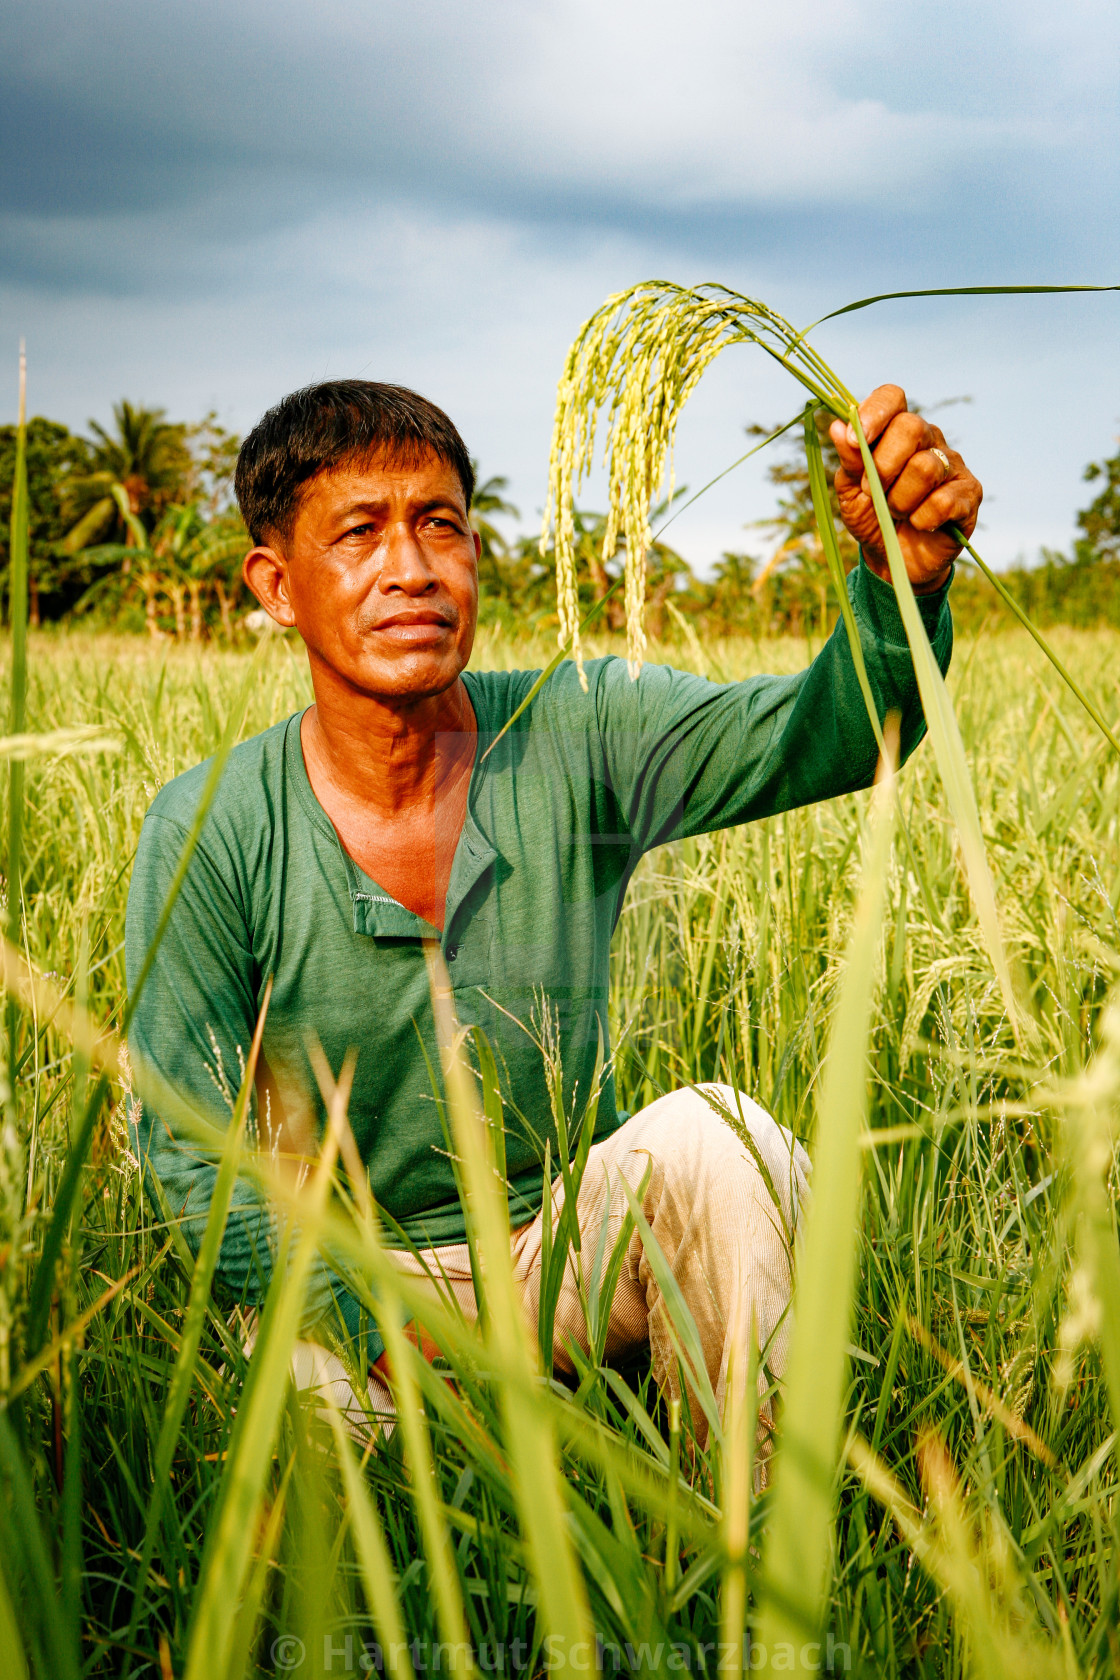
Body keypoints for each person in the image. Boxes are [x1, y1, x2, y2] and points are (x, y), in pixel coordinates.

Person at [125, 379, 980, 1441]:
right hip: (349, 1280)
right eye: (359, 531)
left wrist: (902, 585)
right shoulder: (214, 823)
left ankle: (754, 1545)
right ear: (277, 584)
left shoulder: (575, 726)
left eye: (440, 524)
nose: (412, 567)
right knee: (314, 1443)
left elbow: (835, 735)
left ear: (475, 556)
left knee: (726, 1139)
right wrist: (382, 1322)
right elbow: (186, 1149)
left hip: (559, 1244)